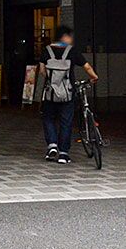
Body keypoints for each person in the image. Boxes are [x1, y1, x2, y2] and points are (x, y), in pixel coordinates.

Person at [39, 26, 98, 164]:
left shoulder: (46, 50)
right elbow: (87, 67)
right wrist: (94, 77)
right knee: (66, 122)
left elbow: (42, 71)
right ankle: (64, 154)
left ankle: (52, 145)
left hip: (50, 93)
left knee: (48, 119)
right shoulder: (72, 51)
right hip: (68, 93)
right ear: (65, 36)